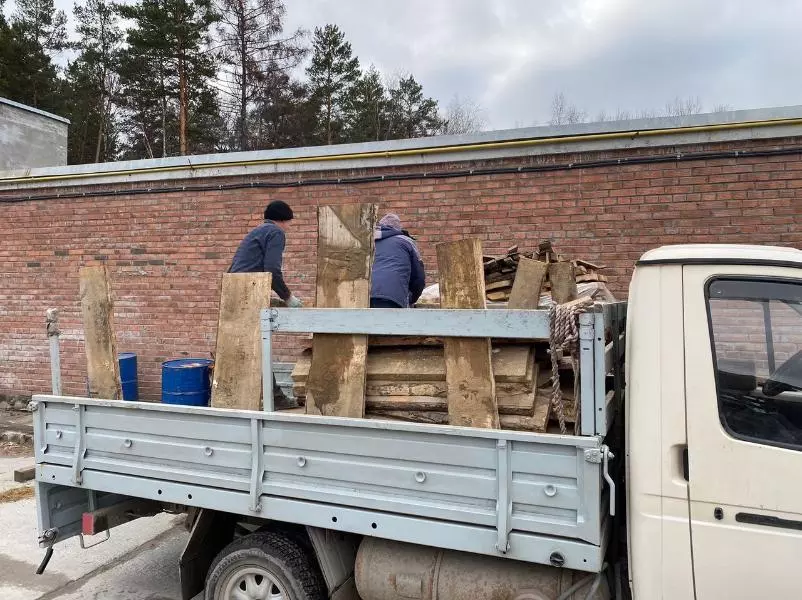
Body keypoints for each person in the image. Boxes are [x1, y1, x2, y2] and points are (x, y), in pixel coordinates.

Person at [229, 200, 302, 408]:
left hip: (236, 291)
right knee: (257, 347)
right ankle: (276, 398)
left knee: (247, 348)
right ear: (282, 220)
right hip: (248, 291)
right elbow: (272, 269)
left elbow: (241, 266)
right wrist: (288, 297)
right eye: (288, 223)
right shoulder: (275, 232)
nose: (288, 227)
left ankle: (250, 397)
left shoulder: (257, 232)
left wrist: (267, 297)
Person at [370, 213, 425, 308]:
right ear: (398, 229)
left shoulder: (369, 241)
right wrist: (412, 299)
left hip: (365, 296)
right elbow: (418, 278)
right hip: (394, 298)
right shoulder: (407, 242)